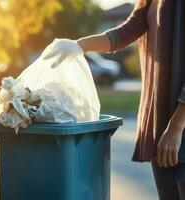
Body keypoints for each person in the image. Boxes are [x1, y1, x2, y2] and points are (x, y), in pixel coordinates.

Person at [42, 0, 185, 199]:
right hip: (162, 124)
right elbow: (126, 32)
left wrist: (177, 126)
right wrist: (77, 45)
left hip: (179, 125)